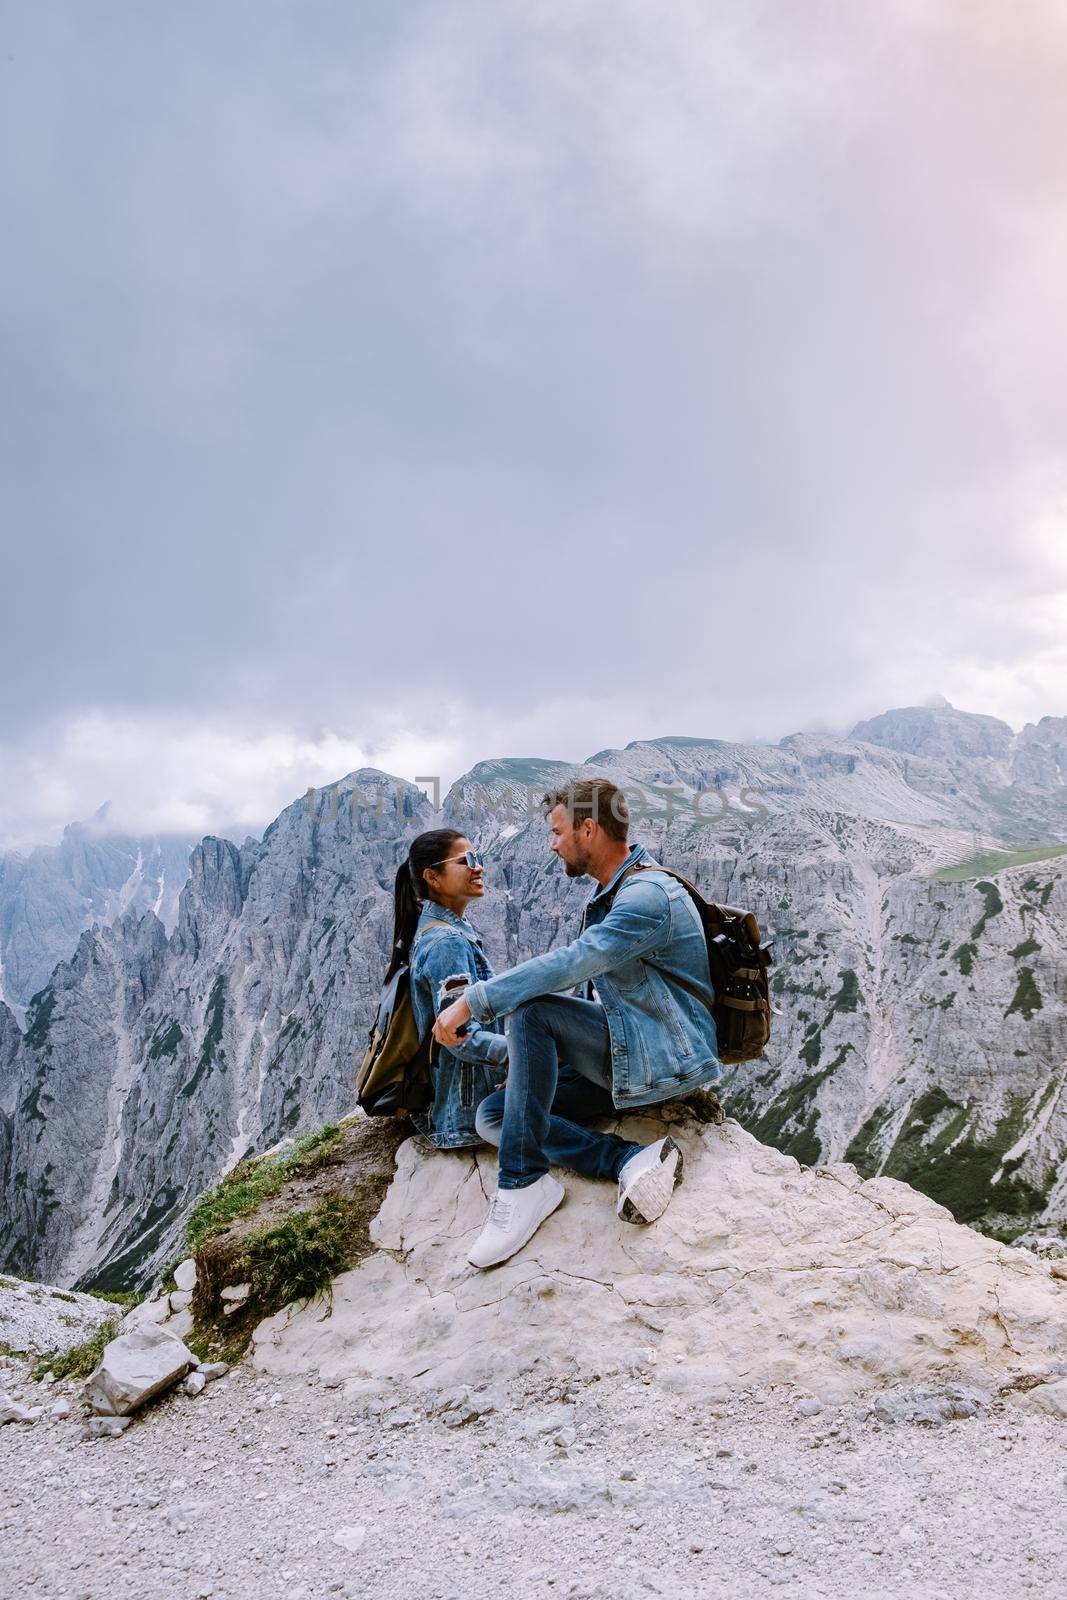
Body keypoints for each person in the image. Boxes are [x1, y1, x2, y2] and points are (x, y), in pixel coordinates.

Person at [433, 779, 721, 1268]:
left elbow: (575, 962)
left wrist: (475, 1002)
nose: (552, 844)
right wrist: (530, 1061)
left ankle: (520, 1183)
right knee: (495, 1115)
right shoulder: (615, 891)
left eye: (558, 831)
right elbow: (596, 996)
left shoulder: (647, 897)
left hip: (660, 1060)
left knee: (533, 1008)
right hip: (626, 1048)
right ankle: (625, 1159)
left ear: (588, 830)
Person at [388, 829, 507, 1151]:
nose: (478, 867)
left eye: (478, 858)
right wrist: (520, 1055)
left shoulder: (445, 933)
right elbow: (458, 1035)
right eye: (466, 860)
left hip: (466, 1105)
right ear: (433, 877)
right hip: (469, 1113)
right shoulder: (446, 942)